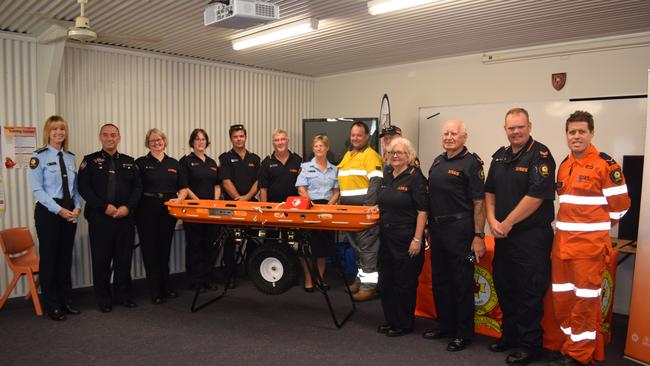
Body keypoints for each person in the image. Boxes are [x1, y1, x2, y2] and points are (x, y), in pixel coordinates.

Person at [549, 111, 630, 366]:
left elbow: (620, 208)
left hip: (588, 250)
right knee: (562, 301)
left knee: (584, 302)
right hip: (561, 247)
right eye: (572, 132)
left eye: (581, 131)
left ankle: (578, 355)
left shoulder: (606, 165)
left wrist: (594, 228)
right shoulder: (564, 164)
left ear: (591, 133)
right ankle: (568, 346)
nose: (576, 136)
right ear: (566, 135)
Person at [484, 108, 556, 365]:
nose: (515, 132)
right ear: (505, 129)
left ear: (529, 126)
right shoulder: (500, 157)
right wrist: (492, 221)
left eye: (520, 127)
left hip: (530, 237)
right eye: (511, 128)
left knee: (528, 290)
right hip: (503, 235)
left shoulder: (541, 156)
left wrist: (507, 222)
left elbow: (536, 197)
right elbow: (489, 191)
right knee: (505, 286)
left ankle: (529, 346)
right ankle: (510, 337)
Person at [423, 120, 486, 352]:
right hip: (438, 230)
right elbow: (432, 198)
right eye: (446, 133)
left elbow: (479, 202)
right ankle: (446, 326)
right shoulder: (438, 161)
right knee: (440, 281)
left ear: (464, 137)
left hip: (460, 230)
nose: (449, 137)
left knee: (461, 283)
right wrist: (428, 227)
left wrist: (478, 235)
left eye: (454, 133)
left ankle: (463, 333)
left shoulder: (471, 164)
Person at [78, 124, 142, 312]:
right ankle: (104, 299)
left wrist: (127, 208)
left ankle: (123, 295)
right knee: (101, 261)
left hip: (125, 218)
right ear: (100, 137)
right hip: (100, 219)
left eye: (113, 135)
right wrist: (104, 207)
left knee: (124, 259)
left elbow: (138, 188)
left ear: (119, 137)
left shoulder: (130, 162)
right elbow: (84, 189)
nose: (109, 138)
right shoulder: (89, 161)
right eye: (106, 135)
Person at [28, 115, 82, 321]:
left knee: (65, 258)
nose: (59, 133)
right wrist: (58, 209)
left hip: (69, 211)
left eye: (62, 129)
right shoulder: (38, 156)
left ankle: (65, 301)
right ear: (48, 132)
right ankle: (52, 305)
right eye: (54, 130)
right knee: (50, 259)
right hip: (49, 212)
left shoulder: (69, 157)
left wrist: (77, 207)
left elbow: (74, 188)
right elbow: (37, 190)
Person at [375, 137, 427, 337]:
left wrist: (417, 239)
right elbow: (385, 202)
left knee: (404, 283)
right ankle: (391, 320)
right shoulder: (387, 174)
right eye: (392, 153)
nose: (395, 156)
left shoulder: (415, 176)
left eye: (400, 153)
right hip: (386, 236)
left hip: (406, 238)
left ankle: (404, 323)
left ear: (409, 156)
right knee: (386, 281)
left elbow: (423, 211)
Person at [135, 128, 188, 304]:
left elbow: (183, 188)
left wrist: (179, 200)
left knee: (164, 250)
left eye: (159, 140)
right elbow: (136, 188)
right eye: (152, 141)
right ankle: (155, 291)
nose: (156, 143)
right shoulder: (141, 163)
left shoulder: (174, 163)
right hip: (146, 211)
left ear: (164, 141)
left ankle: (166, 287)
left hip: (168, 212)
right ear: (147, 144)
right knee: (150, 251)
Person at [337, 121, 383, 301]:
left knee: (368, 249)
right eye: (353, 135)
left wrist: (366, 209)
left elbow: (376, 183)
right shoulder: (348, 154)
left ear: (367, 137)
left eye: (359, 135)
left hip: (364, 213)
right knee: (357, 249)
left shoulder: (371, 155)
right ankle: (360, 280)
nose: (355, 138)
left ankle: (369, 287)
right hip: (350, 212)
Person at [295, 135, 340, 292]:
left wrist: (329, 205)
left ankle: (320, 278)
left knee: (323, 248)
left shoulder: (334, 169)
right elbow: (301, 188)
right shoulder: (305, 166)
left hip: (327, 209)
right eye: (316, 146)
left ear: (327, 148)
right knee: (306, 247)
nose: (318, 148)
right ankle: (308, 278)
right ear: (313, 149)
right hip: (309, 208)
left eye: (321, 146)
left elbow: (336, 191)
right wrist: (311, 204)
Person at [179, 128, 221, 292]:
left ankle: (207, 279)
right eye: (197, 139)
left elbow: (217, 185)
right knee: (195, 246)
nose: (200, 142)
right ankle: (195, 281)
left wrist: (215, 202)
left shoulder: (211, 162)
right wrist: (199, 203)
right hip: (194, 211)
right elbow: (184, 186)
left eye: (203, 139)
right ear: (192, 142)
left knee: (210, 246)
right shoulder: (186, 161)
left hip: (212, 211)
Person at [219, 124, 260, 288]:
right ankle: (230, 275)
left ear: (245, 137)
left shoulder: (254, 158)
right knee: (230, 241)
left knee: (254, 240)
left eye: (241, 136)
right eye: (235, 136)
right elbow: (225, 181)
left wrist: (248, 198)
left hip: (251, 205)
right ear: (231, 138)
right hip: (232, 206)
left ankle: (252, 272)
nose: (239, 139)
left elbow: (259, 181)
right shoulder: (225, 158)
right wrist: (238, 198)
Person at [259, 130, 302, 203]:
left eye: (283, 139)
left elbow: (302, 187)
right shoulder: (266, 162)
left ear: (287, 141)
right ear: (273, 143)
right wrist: (264, 208)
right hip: (273, 207)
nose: (280, 142)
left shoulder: (298, 160)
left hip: (294, 206)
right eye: (276, 140)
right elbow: (263, 189)